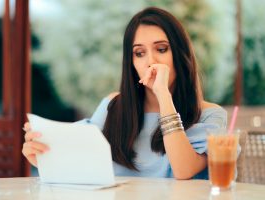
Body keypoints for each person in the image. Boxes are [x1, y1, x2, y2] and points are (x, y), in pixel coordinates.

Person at [22, 7, 227, 180]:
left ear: (180, 55)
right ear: (132, 63)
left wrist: (163, 95)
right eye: (139, 53)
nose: (150, 61)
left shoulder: (210, 114)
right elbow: (81, 161)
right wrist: (43, 155)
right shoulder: (114, 105)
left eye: (162, 49)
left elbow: (184, 170)